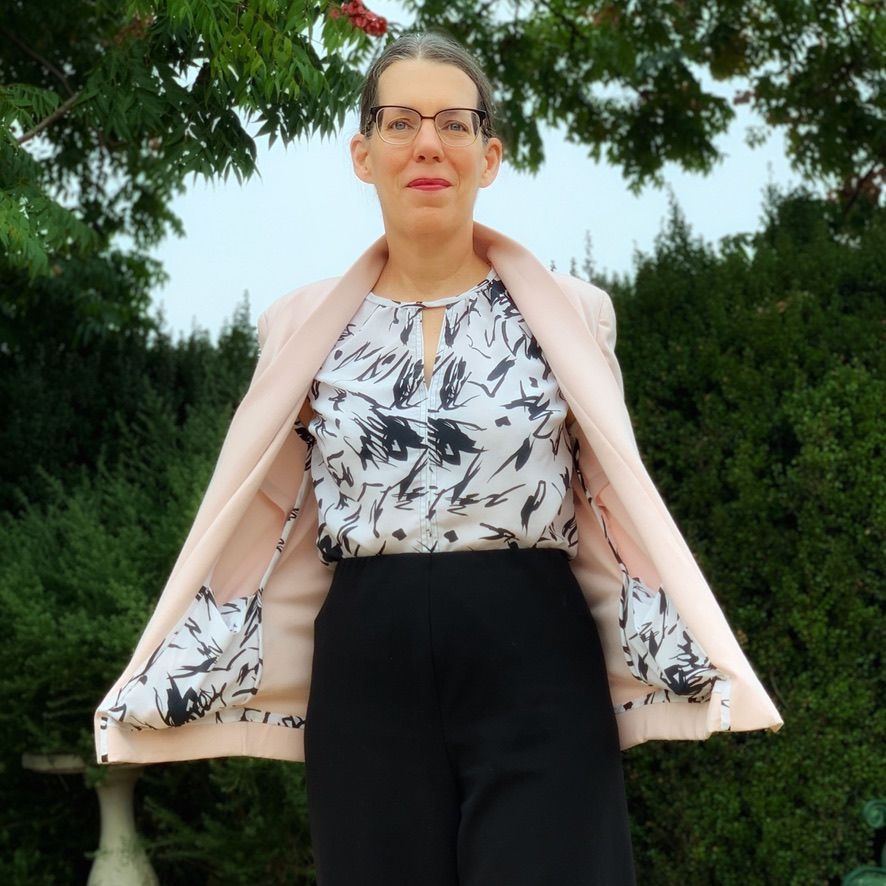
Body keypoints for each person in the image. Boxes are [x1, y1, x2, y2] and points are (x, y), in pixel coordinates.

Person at [94, 28, 784, 886]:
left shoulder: (571, 312)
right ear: (363, 152)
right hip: (365, 657)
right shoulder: (300, 325)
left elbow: (608, 497)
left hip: (533, 644)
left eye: (454, 124)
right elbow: (268, 517)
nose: (428, 143)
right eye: (400, 121)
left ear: (489, 155)